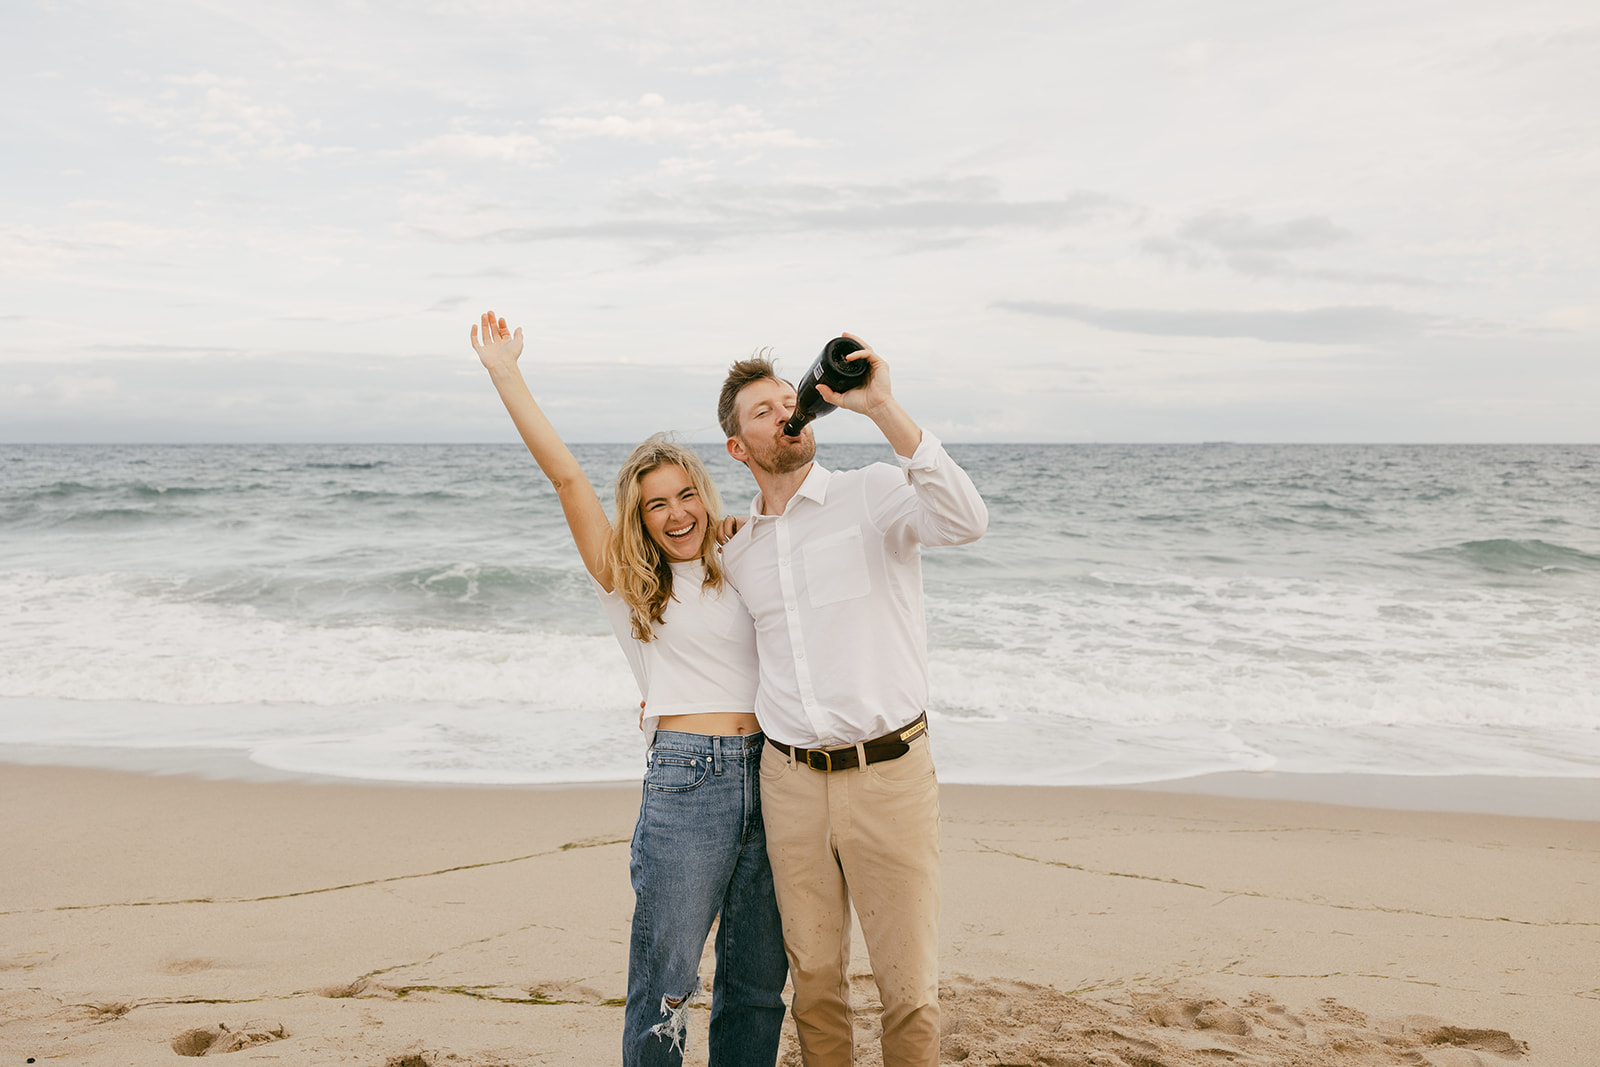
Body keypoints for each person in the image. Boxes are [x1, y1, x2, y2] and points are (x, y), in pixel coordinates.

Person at [470, 311, 787, 1066]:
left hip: (777, 774)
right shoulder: (628, 581)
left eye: (685, 494)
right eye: (656, 503)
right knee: (666, 985)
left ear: (704, 492)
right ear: (639, 517)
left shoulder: (744, 553)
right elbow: (567, 477)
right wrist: (506, 372)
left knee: (756, 983)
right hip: (688, 777)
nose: (676, 512)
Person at [716, 335, 988, 1067]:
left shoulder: (870, 492)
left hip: (889, 773)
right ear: (739, 448)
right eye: (762, 412)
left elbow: (966, 520)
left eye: (786, 402)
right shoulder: (735, 553)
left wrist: (882, 408)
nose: (783, 415)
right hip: (790, 782)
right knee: (815, 984)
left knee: (909, 989)